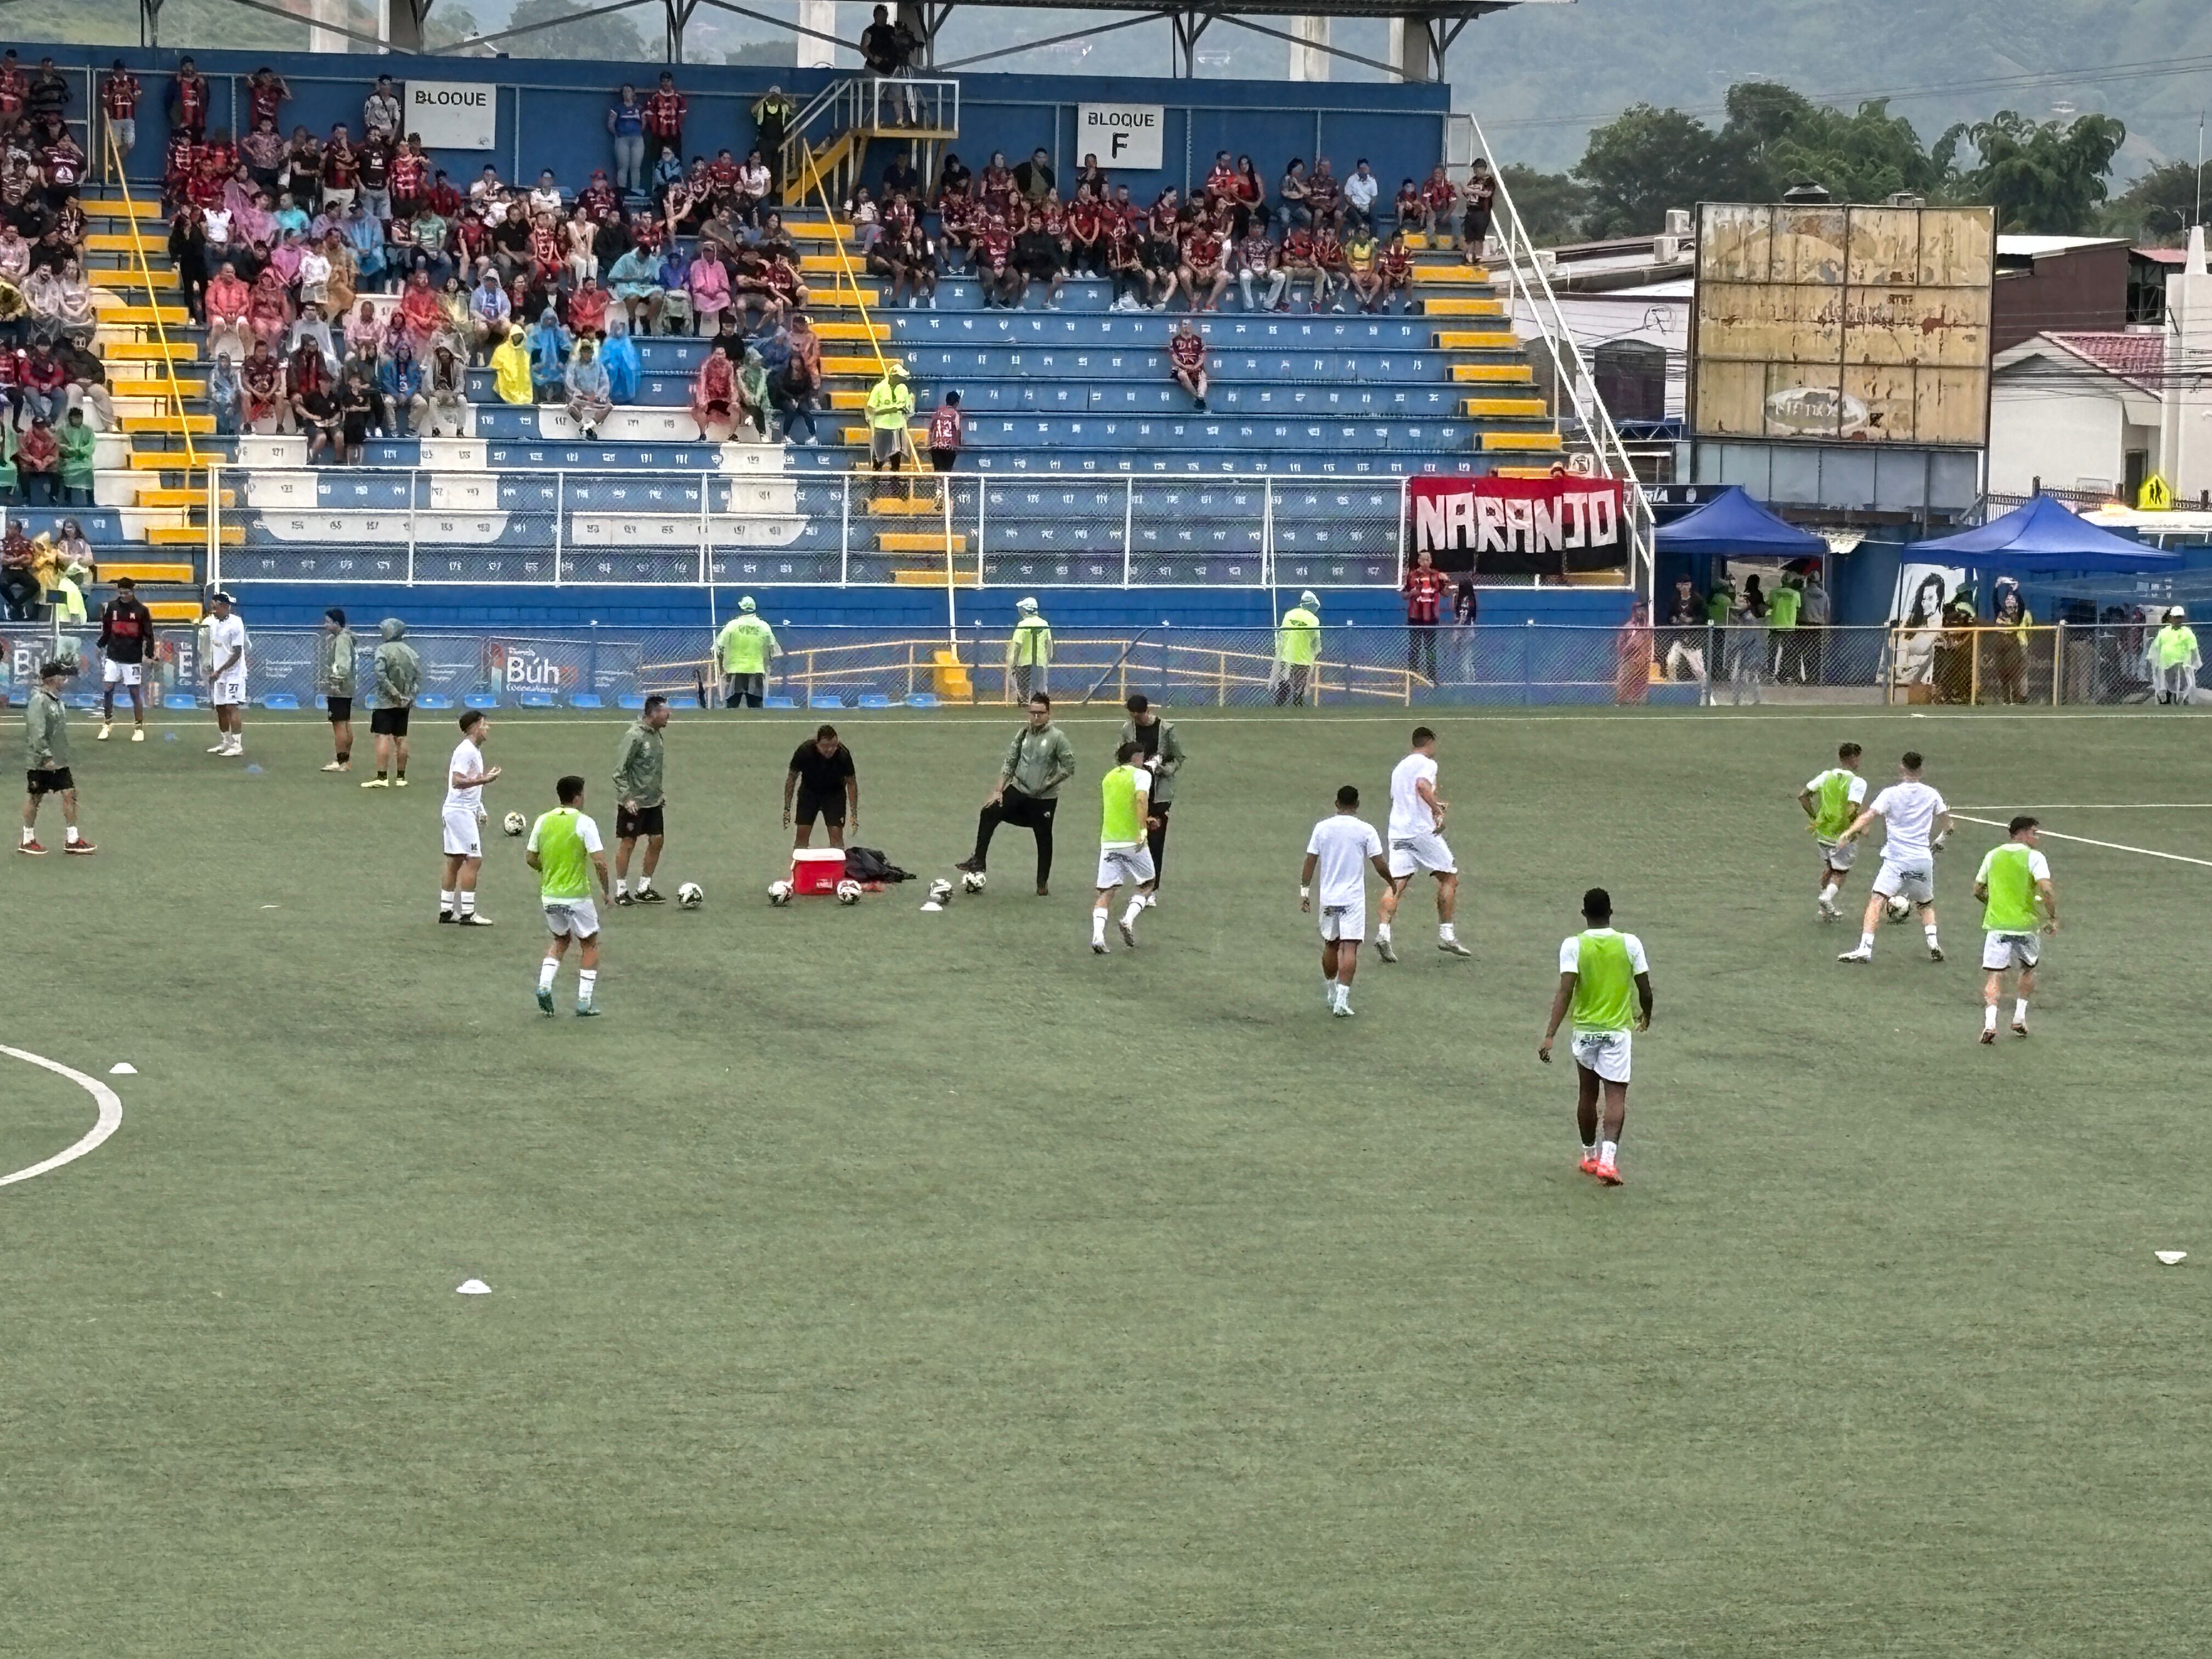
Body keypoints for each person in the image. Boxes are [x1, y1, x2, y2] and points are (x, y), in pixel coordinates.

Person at [1538, 887, 1653, 1186]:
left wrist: (1550, 1034)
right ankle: (1608, 1163)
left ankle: (1589, 1157)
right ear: (1611, 912)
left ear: (1584, 914)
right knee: (1616, 1095)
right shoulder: (1630, 943)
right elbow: (1645, 988)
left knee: (1587, 1094)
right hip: (1616, 1032)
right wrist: (1647, 1014)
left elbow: (1565, 991)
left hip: (1585, 1032)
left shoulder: (1573, 946)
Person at [1835, 750, 1951, 965]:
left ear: (1902, 768)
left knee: (1877, 900)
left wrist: (1848, 833)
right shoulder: (1932, 794)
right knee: (1926, 904)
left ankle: (1865, 949)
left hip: (1897, 860)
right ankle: (1933, 944)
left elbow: (1869, 815)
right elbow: (1948, 824)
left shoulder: (1890, 794)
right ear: (1921, 770)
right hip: (1922, 859)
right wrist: (1941, 839)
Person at [957, 692, 1074, 895]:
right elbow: (1010, 762)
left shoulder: (1058, 738)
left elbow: (1069, 766)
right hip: (1019, 790)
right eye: (1033, 713)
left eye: (1041, 713)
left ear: (1049, 713)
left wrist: (1049, 783)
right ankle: (978, 862)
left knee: (1044, 838)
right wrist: (998, 791)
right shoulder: (1023, 735)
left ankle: (1042, 883)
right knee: (989, 812)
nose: (1036, 718)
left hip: (1044, 799)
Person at [1374, 725, 1471, 963]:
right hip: (1420, 831)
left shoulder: (1399, 768)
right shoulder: (1427, 764)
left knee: (1397, 882)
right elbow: (1421, 786)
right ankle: (1446, 935)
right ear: (1429, 743)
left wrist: (1435, 804)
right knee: (1449, 876)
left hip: (1398, 831)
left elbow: (1408, 796)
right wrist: (1436, 809)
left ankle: (1383, 933)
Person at [1301, 783, 1390, 1018]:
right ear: (1357, 805)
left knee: (1331, 944)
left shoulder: (1322, 828)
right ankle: (1342, 1000)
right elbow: (1379, 863)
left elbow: (1311, 860)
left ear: (1337, 804)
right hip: (1352, 899)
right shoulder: (1366, 830)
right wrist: (1391, 882)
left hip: (1329, 897)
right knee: (1349, 947)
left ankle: (1330, 991)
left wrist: (1305, 891)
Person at [1969, 815, 2059, 1043]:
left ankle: (1990, 1024)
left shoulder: (1992, 855)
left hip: (1997, 925)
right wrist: (2052, 916)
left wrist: (1994, 904)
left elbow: (1978, 889)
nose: (2036, 838)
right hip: (2026, 926)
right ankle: (2019, 1017)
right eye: (2034, 833)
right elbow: (2046, 890)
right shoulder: (2034, 858)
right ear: (2022, 833)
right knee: (2027, 969)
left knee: (1994, 975)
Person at [530, 775, 612, 1017]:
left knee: (560, 940)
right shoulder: (584, 823)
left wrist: (547, 871)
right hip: (576, 896)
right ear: (577, 797)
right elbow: (600, 863)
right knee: (590, 944)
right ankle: (584, 1002)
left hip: (550, 895)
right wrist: (607, 892)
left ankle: (544, 985)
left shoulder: (543, 821)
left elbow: (530, 857)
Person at [1090, 740, 1159, 954]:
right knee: (1148, 883)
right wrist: (1143, 830)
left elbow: (1121, 808)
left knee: (1106, 892)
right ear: (1136, 757)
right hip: (1132, 842)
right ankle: (1128, 920)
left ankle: (1098, 937)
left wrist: (1145, 819)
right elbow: (1140, 800)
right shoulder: (1141, 775)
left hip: (1109, 842)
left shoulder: (1108, 778)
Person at [21, 660, 93, 855]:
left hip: (58, 761)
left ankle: (72, 839)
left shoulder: (55, 701)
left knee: (70, 793)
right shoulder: (39, 701)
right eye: (63, 677)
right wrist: (45, 758)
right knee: (35, 798)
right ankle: (27, 840)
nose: (65, 680)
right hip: (41, 761)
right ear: (54, 679)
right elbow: (37, 732)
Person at [1118, 693, 1182, 902]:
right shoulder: (1128, 729)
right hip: (1137, 791)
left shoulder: (1166, 729)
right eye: (1132, 716)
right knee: (1137, 840)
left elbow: (1178, 759)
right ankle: (1141, 883)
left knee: (1156, 841)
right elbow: (1120, 755)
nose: (1135, 719)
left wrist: (1161, 768)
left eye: (1138, 716)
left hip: (1159, 793)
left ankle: (1151, 890)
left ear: (1147, 711)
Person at [438, 710, 500, 926]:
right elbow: (457, 781)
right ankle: (468, 913)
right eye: (485, 724)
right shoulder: (466, 751)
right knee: (474, 859)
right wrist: (485, 780)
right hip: (459, 812)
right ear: (475, 727)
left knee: (455, 859)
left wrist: (480, 808)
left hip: (460, 811)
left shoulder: (472, 750)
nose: (488, 728)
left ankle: (446, 910)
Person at [1797, 741, 1866, 922]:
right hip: (1842, 835)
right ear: (1852, 758)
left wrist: (1815, 818)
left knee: (1829, 868)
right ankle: (1826, 898)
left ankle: (1824, 910)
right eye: (1858, 757)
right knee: (1840, 873)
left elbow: (1803, 796)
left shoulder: (1826, 776)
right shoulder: (1857, 783)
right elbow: (1852, 809)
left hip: (1822, 834)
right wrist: (1856, 829)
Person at [611, 693, 670, 905]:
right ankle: (620, 891)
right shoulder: (634, 736)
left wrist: (659, 794)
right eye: (665, 712)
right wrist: (627, 798)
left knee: (657, 840)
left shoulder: (657, 735)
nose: (669, 715)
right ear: (654, 713)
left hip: (653, 801)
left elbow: (652, 771)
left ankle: (644, 887)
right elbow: (620, 771)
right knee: (628, 843)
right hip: (634, 802)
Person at [95, 576, 156, 742]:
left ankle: (138, 727)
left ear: (132, 591)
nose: (124, 596)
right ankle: (107, 724)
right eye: (121, 592)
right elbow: (107, 631)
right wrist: (100, 645)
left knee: (134, 692)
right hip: (113, 656)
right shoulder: (112, 608)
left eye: (127, 592)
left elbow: (148, 635)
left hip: (132, 658)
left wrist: (150, 654)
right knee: (108, 688)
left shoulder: (141, 611)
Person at [363, 616, 419, 787]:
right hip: (405, 703)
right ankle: (401, 778)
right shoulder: (411, 652)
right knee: (401, 737)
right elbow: (417, 677)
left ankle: (382, 777)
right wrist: (409, 696)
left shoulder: (383, 650)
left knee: (383, 736)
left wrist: (394, 693)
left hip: (386, 702)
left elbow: (381, 675)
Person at [785, 723, 858, 849]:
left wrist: (854, 813)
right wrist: (787, 809)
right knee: (801, 836)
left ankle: (837, 866)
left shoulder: (843, 755)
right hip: (809, 794)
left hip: (835, 795)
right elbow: (792, 778)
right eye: (825, 746)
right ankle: (798, 865)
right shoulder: (804, 752)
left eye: (833, 746)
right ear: (817, 743)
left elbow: (852, 783)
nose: (830, 750)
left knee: (837, 838)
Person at [202, 590, 248, 757]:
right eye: (212, 605)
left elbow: (237, 653)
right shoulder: (212, 623)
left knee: (231, 706)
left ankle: (237, 745)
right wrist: (209, 667)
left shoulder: (236, 624)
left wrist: (219, 671)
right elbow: (209, 646)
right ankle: (226, 742)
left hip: (234, 673)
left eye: (216, 605)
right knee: (220, 707)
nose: (213, 609)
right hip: (218, 673)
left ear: (225, 606)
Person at [317, 607, 357, 772]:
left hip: (340, 688)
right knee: (345, 723)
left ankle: (341, 761)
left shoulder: (341, 640)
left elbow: (342, 664)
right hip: (348, 687)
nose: (325, 626)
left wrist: (335, 683)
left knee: (339, 724)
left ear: (337, 623)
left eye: (328, 622)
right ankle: (345, 759)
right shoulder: (345, 639)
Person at [1402, 548, 1448, 681]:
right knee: (1415, 648)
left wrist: (1446, 582)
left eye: (1428, 559)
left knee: (1431, 650)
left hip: (1432, 619)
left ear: (1431, 560)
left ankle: (1431, 677)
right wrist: (1412, 594)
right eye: (1423, 559)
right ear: (1419, 561)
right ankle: (1413, 676)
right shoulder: (1412, 576)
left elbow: (1445, 594)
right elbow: (1404, 595)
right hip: (1415, 618)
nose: (1426, 562)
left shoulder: (1437, 575)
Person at [1274, 589, 1321, 706]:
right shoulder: (1314, 620)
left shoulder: (1290, 614)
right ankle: (1298, 703)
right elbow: (1316, 640)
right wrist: (1317, 650)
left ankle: (1279, 703)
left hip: (1287, 655)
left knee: (1285, 681)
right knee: (1300, 683)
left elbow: (1282, 634)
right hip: (1303, 657)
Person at [865, 360, 912, 471]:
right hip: (882, 428)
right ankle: (875, 484)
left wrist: (905, 411)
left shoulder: (903, 389)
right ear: (893, 377)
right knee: (879, 459)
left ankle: (895, 485)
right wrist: (892, 410)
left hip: (897, 427)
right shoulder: (879, 388)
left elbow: (907, 407)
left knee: (896, 460)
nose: (902, 380)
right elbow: (872, 409)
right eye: (899, 377)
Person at [1006, 596, 1052, 701]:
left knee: (1024, 691)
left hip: (1024, 663)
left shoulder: (1022, 625)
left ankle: (1025, 706)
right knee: (1039, 690)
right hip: (1040, 662)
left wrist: (1013, 662)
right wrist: (1047, 659)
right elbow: (1049, 644)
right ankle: (1039, 708)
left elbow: (1017, 645)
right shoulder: (1044, 624)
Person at [2151, 606, 2199, 704]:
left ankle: (2182, 701)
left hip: (2182, 663)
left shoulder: (2187, 632)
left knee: (2183, 684)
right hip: (2167, 663)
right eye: (2176, 617)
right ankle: (2166, 701)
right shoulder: (2164, 632)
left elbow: (2193, 648)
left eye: (2180, 617)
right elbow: (2156, 647)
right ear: (2171, 618)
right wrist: (2156, 661)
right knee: (2168, 683)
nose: (2178, 620)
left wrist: (2192, 662)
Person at [1168, 318, 1208, 412]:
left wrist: (1195, 367)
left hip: (1195, 366)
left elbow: (1202, 357)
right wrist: (1185, 367)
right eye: (1184, 325)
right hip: (1181, 367)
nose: (1186, 328)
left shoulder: (1199, 341)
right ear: (1181, 327)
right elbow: (1174, 358)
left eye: (1188, 325)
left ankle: (1201, 396)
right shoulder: (1174, 341)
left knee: (1203, 376)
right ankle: (1198, 397)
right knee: (1182, 375)